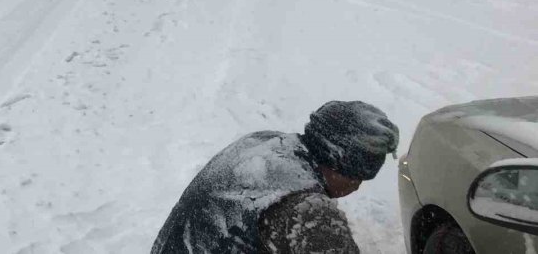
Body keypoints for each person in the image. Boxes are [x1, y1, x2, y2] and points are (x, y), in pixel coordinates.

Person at [150, 101, 399, 254]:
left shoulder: (262, 142)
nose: (358, 185)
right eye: (359, 174)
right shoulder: (307, 210)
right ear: (337, 159)